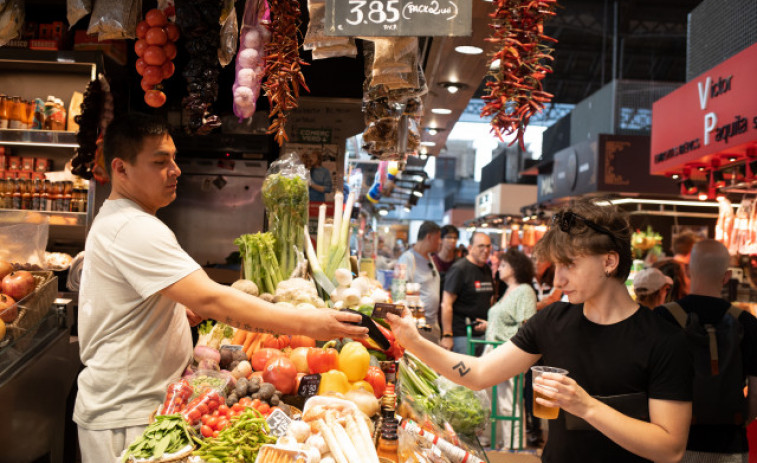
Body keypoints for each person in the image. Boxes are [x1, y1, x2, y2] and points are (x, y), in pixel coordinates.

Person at [74, 114, 367, 463]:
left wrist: (173, 311)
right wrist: (310, 323)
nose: (175, 169)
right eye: (159, 161)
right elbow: (212, 297)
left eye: (173, 157)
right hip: (125, 417)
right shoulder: (133, 227)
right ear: (121, 169)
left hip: (137, 406)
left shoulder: (125, 220)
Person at [387, 198, 693, 463]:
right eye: (555, 266)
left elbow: (670, 448)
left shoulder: (664, 340)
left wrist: (586, 406)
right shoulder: (553, 321)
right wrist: (412, 341)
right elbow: (480, 372)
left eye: (569, 265)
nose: (557, 280)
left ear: (609, 261)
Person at [654, 239, 757, 463]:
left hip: (673, 444)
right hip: (731, 446)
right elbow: (756, 395)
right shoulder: (747, 323)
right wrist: (737, 422)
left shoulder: (662, 318)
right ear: (727, 276)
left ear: (689, 270)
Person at [477, 249, 536, 449]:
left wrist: (525, 358)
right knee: (491, 400)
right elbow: (508, 320)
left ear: (514, 267)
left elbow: (527, 325)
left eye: (502, 265)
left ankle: (513, 447)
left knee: (508, 402)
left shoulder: (524, 290)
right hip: (493, 351)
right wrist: (488, 325)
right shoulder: (507, 290)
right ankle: (496, 441)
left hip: (509, 353)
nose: (498, 268)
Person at [440, 232, 494, 354]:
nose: (485, 250)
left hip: (483, 334)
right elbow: (446, 304)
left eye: (488, 246)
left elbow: (489, 299)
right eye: (481, 246)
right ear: (470, 248)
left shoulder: (487, 269)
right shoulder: (459, 269)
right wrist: (447, 335)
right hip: (462, 335)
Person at [398, 221, 442, 343]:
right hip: (417, 326)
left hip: (432, 324)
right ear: (429, 237)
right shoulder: (407, 258)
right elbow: (400, 292)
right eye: (438, 238)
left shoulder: (430, 258)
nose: (440, 242)